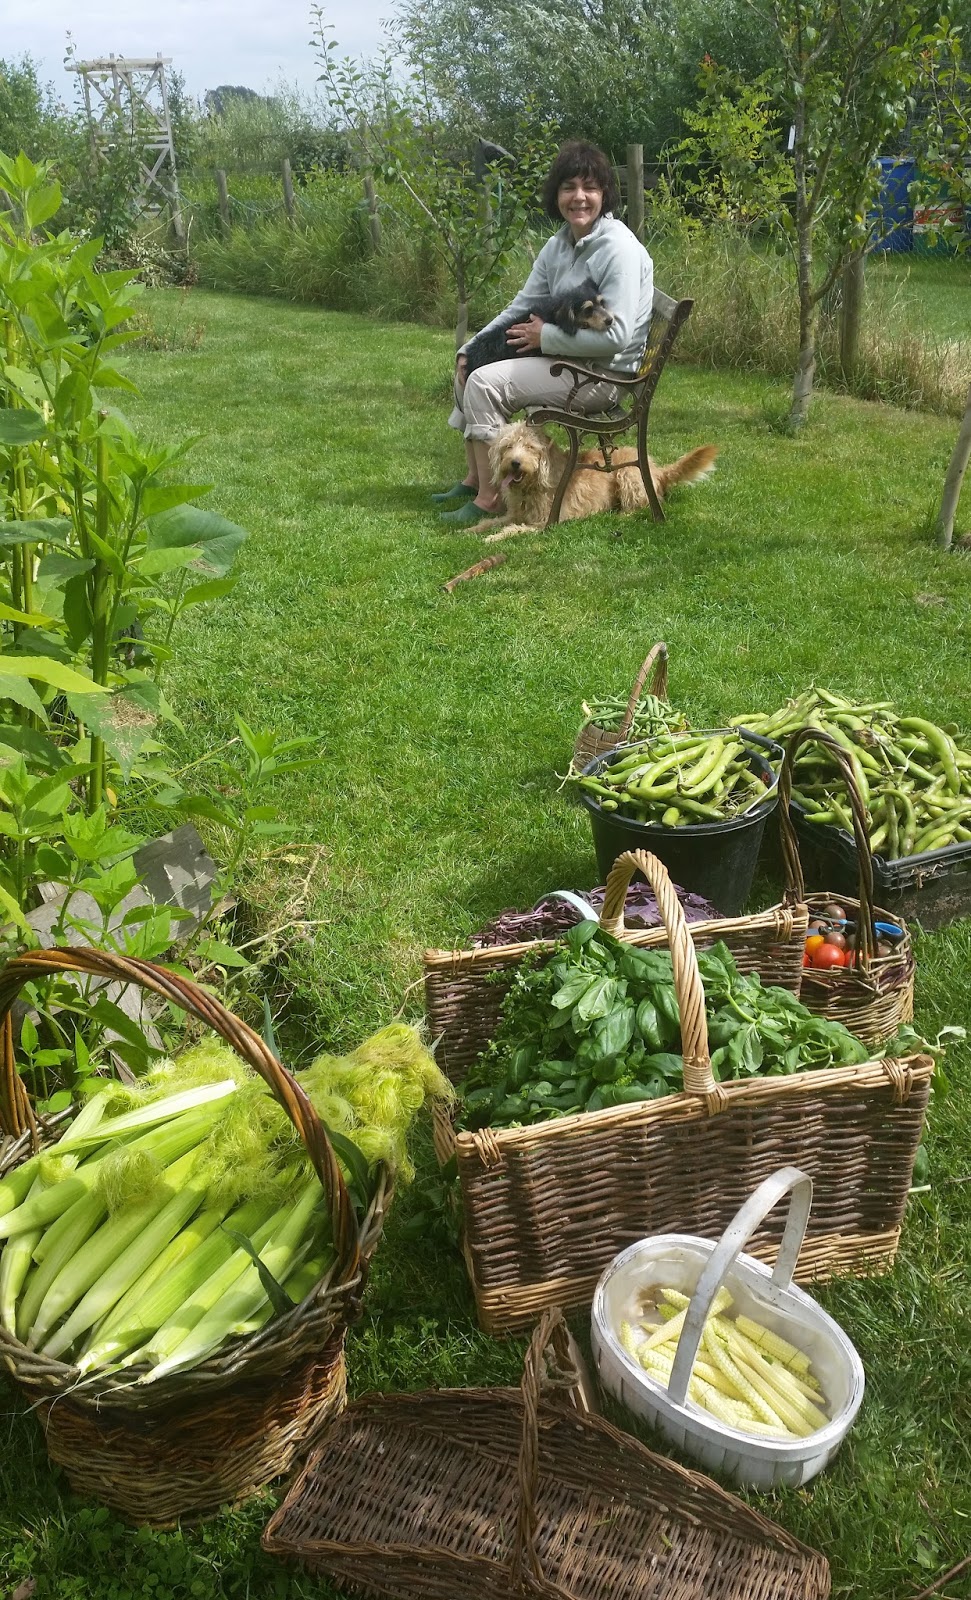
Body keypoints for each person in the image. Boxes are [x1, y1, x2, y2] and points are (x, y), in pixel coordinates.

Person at [433, 139, 654, 526]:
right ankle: (474, 479)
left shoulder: (619, 249)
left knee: (485, 383)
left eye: (590, 187)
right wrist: (471, 346)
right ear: (557, 195)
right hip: (569, 361)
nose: (579, 197)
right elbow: (522, 304)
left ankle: (490, 500)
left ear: (605, 193)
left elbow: (615, 338)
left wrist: (544, 338)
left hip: (600, 375)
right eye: (569, 188)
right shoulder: (560, 244)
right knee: (470, 368)